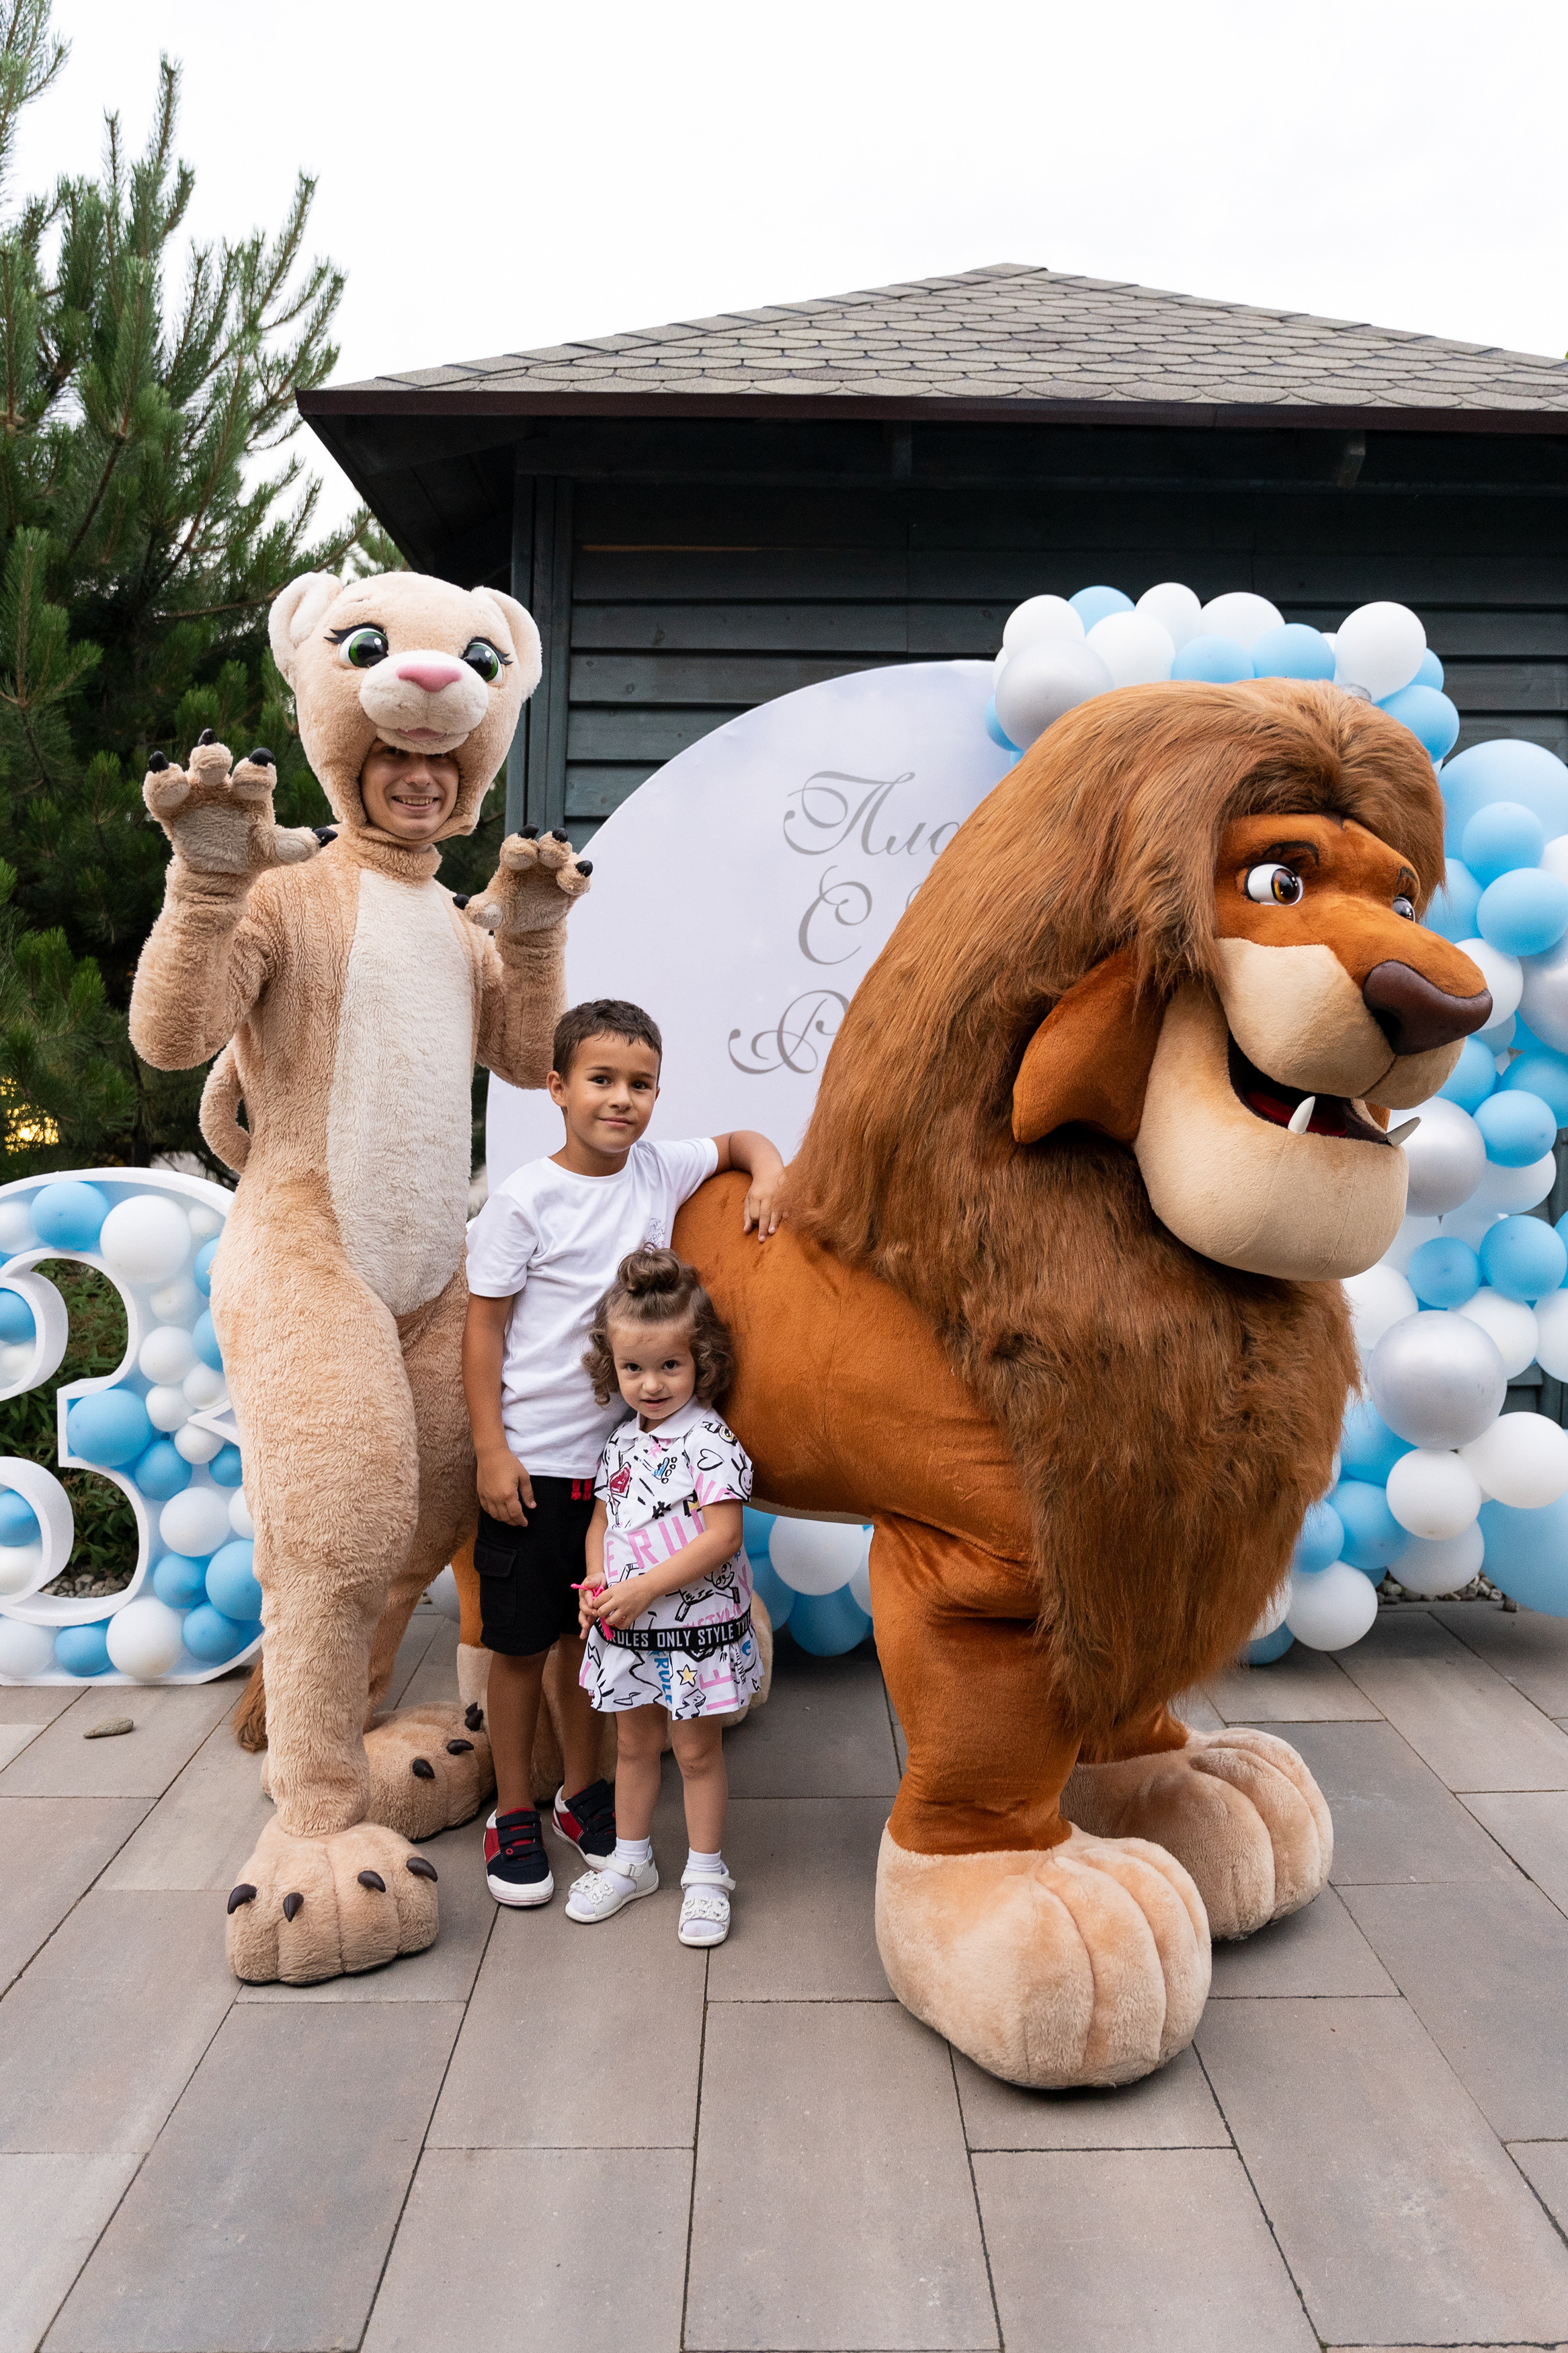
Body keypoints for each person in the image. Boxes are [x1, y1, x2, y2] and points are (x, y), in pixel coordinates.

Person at [461, 998, 783, 1909]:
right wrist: (491, 1449)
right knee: (522, 1647)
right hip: (533, 1464)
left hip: (623, 1475)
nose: (622, 1100)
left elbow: (740, 1142)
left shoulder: (657, 1168)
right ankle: (513, 1808)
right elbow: (483, 1332)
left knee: (593, 1640)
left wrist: (769, 1173)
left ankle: (581, 1794)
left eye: (641, 1084)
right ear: (557, 1089)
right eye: (601, 1080)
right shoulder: (525, 1198)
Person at [568, 1249, 757, 1947]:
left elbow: (724, 1536)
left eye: (669, 1366)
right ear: (610, 1366)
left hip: (691, 1633)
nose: (649, 1383)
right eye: (633, 1368)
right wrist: (595, 1580)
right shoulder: (619, 1441)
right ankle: (631, 1859)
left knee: (695, 1750)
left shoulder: (708, 1441)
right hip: (626, 1632)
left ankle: (706, 1875)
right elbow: (602, 1520)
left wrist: (645, 1586)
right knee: (634, 1744)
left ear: (700, 1359)